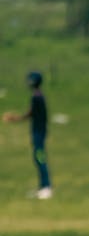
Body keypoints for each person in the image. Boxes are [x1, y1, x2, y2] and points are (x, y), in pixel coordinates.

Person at [2, 71, 53, 199]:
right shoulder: (38, 96)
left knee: (40, 158)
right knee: (38, 158)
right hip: (39, 132)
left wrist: (15, 118)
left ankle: (46, 187)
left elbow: (31, 114)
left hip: (38, 133)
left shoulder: (37, 97)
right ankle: (43, 186)